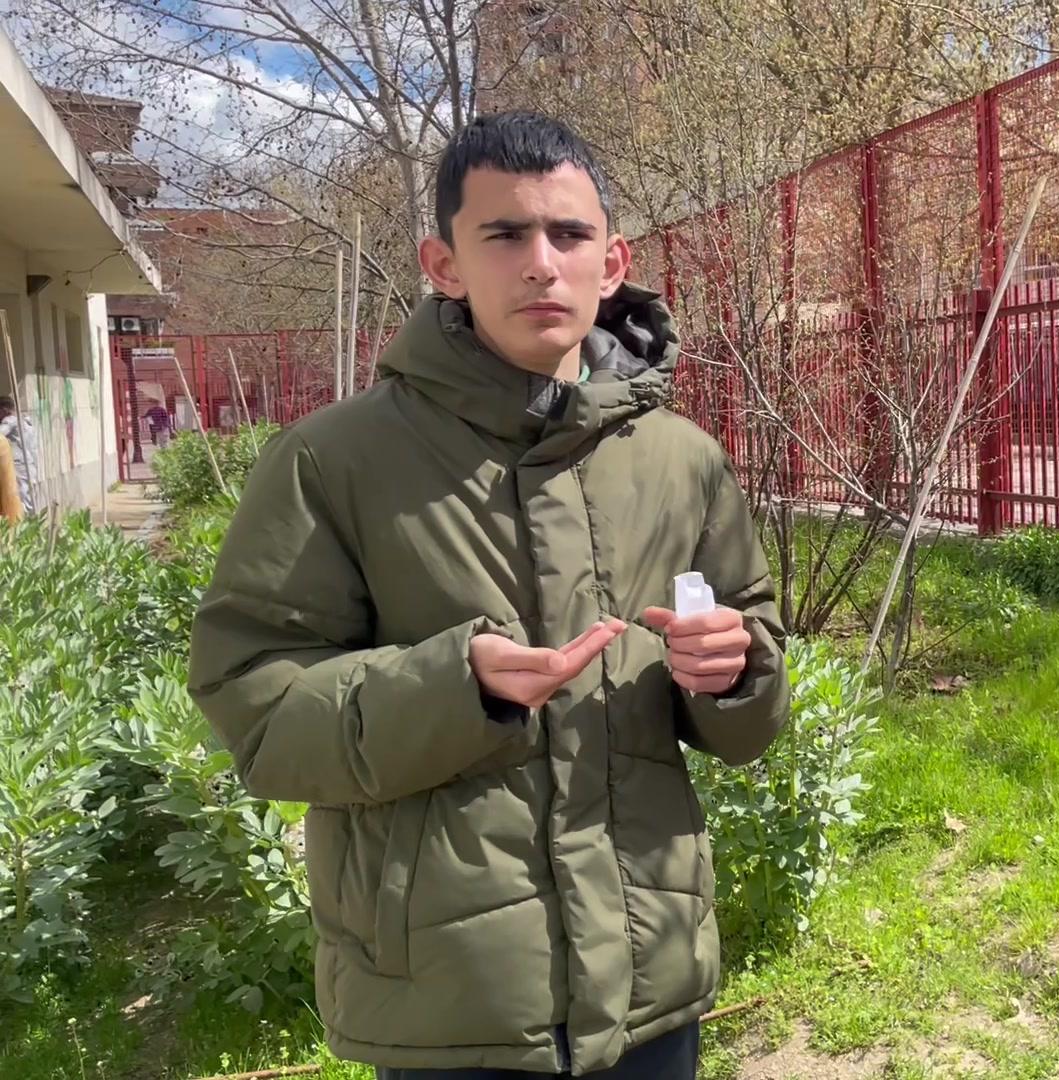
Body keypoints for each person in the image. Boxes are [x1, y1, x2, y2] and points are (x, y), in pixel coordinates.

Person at [187, 111, 791, 1079]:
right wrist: (454, 687)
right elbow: (254, 704)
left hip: (651, 982)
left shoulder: (684, 463)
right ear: (445, 264)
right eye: (504, 234)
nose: (542, 264)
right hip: (450, 1009)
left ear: (614, 261)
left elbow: (750, 698)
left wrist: (736, 672)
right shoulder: (332, 463)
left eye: (569, 234)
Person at [0, 396, 40, 514]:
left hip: (20, 468)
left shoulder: (10, 421)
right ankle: (32, 522)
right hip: (31, 466)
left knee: (21, 499)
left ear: (4, 410)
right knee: (29, 499)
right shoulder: (26, 421)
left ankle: (24, 523)